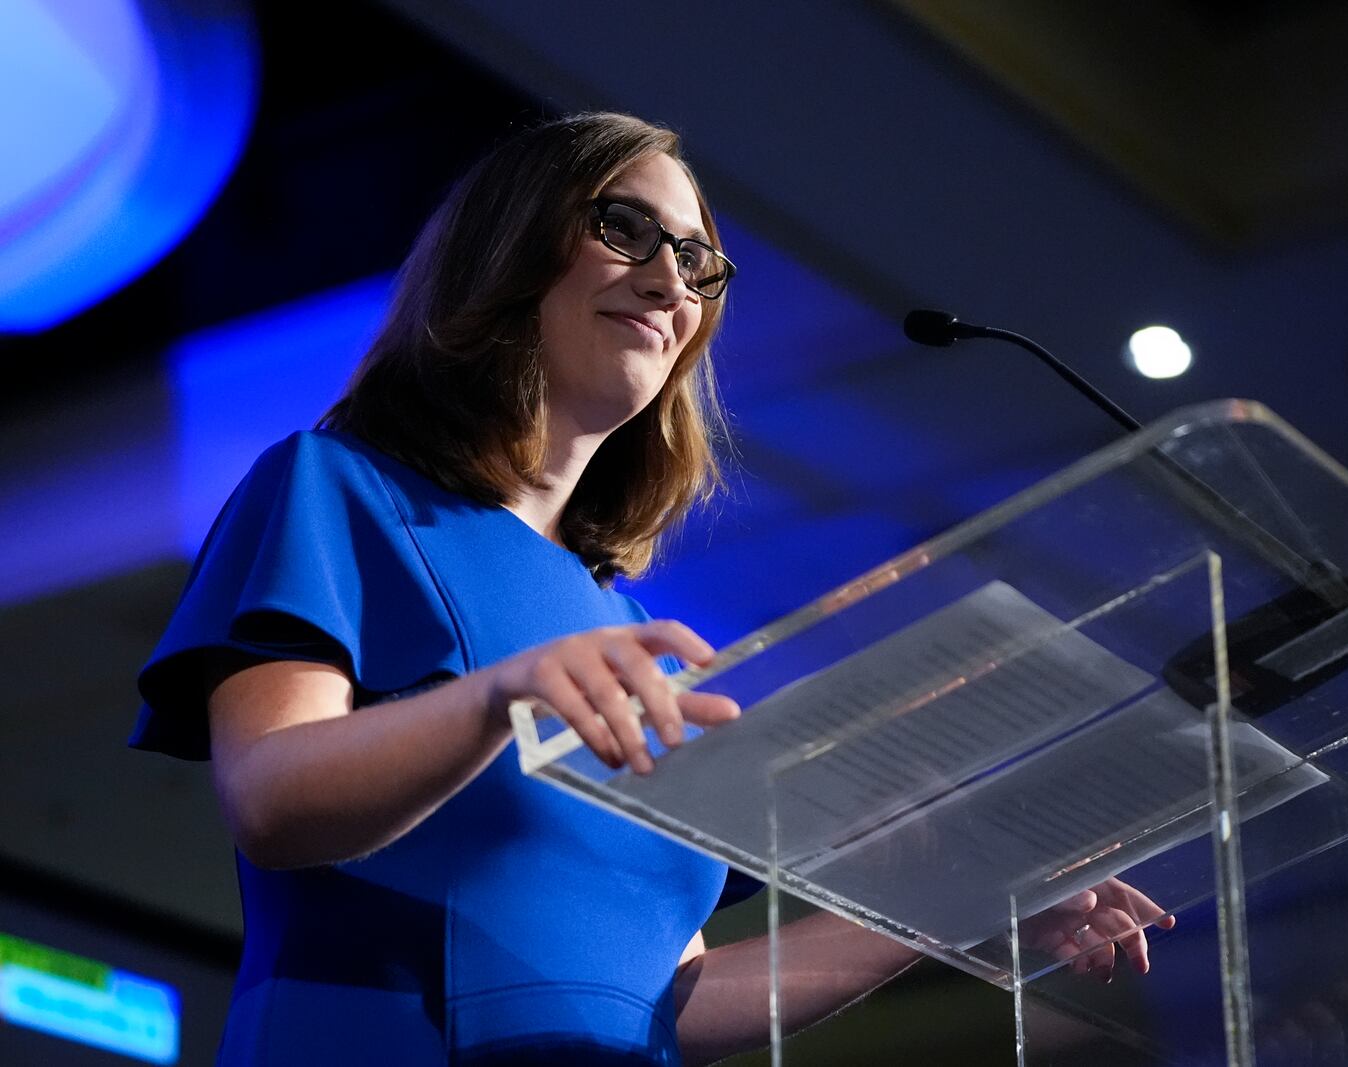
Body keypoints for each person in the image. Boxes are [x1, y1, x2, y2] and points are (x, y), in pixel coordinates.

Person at [132, 112, 1168, 1066]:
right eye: (626, 227)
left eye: (699, 262)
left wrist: (962, 901)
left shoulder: (620, 629)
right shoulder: (336, 488)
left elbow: (663, 996)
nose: (672, 282)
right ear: (508, 248)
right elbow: (269, 797)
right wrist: (506, 691)